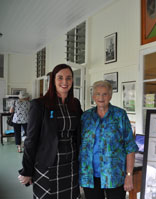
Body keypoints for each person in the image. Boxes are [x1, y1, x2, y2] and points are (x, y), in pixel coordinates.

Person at [18, 64, 83, 199]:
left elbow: (81, 132)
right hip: (47, 164)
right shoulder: (40, 104)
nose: (64, 82)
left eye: (68, 78)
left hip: (71, 163)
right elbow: (31, 140)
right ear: (53, 81)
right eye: (60, 78)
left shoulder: (75, 104)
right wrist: (27, 170)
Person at [79, 80, 138, 199]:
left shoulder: (120, 115)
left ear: (110, 96)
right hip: (90, 176)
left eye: (105, 94)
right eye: (98, 94)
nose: (101, 97)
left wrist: (129, 175)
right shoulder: (86, 117)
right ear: (93, 96)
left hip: (114, 175)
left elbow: (130, 147)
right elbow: (79, 144)